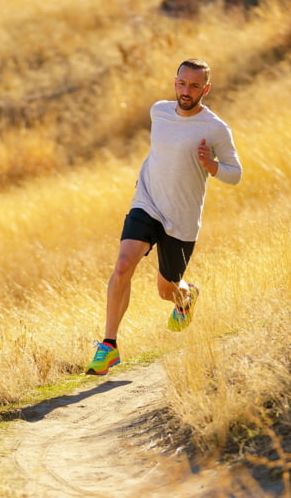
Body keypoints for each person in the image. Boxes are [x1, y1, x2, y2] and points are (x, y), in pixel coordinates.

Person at [85, 58, 243, 375]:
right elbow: (160, 152)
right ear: (175, 83)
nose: (186, 91)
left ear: (206, 89)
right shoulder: (159, 111)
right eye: (182, 83)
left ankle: (186, 297)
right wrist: (147, 177)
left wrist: (211, 167)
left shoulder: (215, 128)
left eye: (195, 86)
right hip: (147, 201)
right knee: (123, 264)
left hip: (181, 218)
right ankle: (109, 346)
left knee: (166, 290)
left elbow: (235, 174)